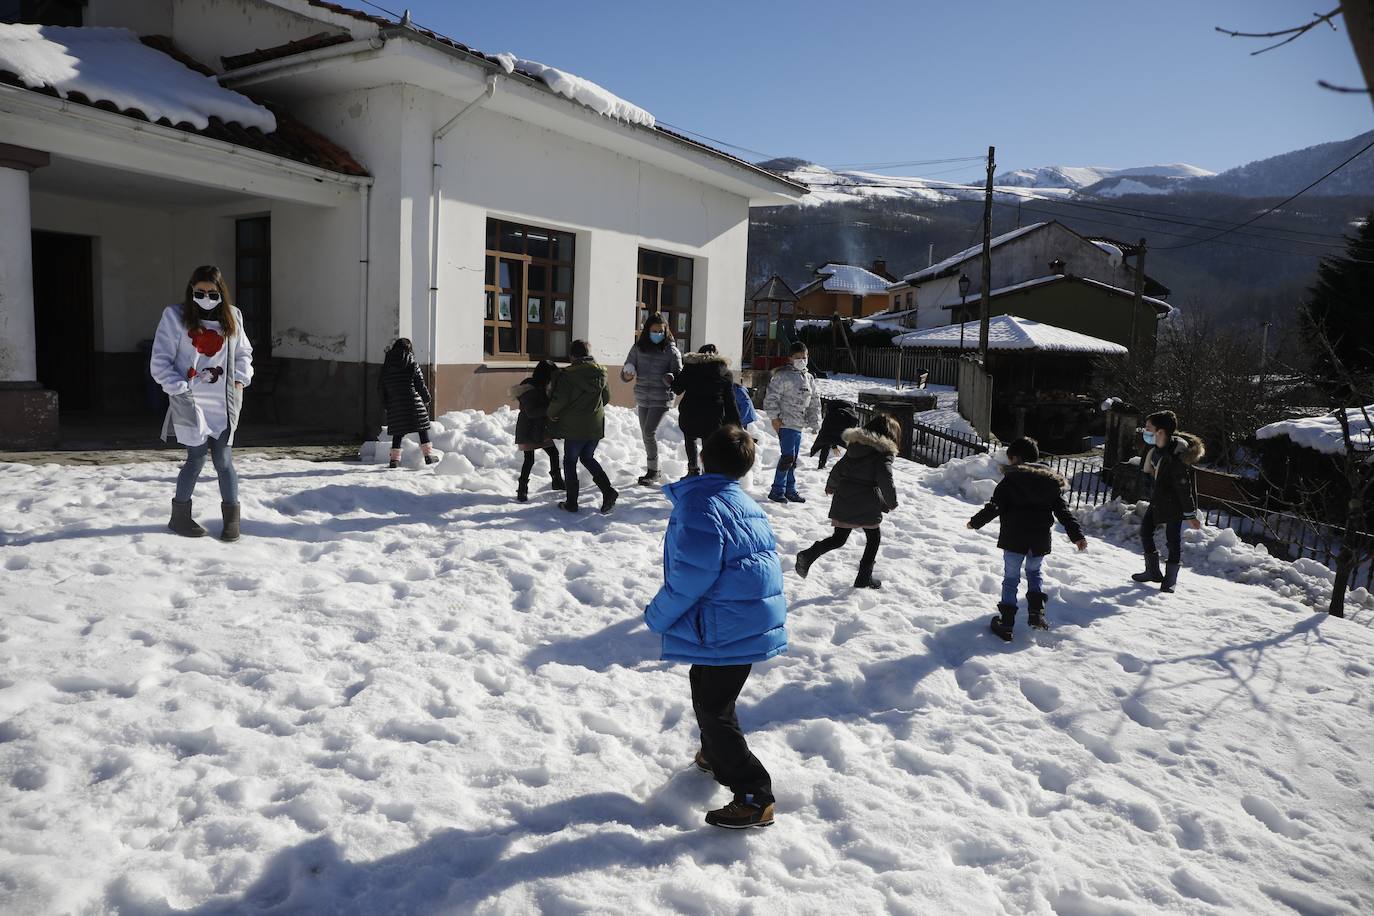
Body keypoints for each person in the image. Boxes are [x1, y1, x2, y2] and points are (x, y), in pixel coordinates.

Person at [644, 424, 786, 829]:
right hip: (742, 618)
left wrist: (658, 615)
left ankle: (754, 794)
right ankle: (713, 753)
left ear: (705, 456)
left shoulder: (700, 504)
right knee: (706, 687)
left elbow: (692, 575)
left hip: (726, 623)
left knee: (713, 706)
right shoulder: (741, 501)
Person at [150, 265, 254, 541]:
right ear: (191, 290)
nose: (206, 297)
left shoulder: (232, 316)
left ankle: (232, 521)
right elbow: (160, 361)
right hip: (189, 400)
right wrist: (180, 389)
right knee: (195, 459)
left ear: (221, 291)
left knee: (223, 459)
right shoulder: (174, 317)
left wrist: (240, 380)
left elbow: (244, 353)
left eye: (212, 292)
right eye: (200, 292)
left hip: (225, 400)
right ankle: (179, 518)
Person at [967, 436, 1087, 642]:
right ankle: (1036, 615)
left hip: (1014, 538)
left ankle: (1006, 623)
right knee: (1034, 573)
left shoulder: (1011, 480)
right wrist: (1076, 535)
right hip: (1039, 540)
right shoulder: (1050, 483)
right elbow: (1063, 512)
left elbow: (995, 507)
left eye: (1010, 458)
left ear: (1016, 458)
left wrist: (975, 522)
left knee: (1011, 578)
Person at [795, 413, 900, 589]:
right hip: (866, 499)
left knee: (839, 538)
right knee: (873, 539)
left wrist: (831, 486)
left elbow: (839, 468)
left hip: (844, 495)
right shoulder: (883, 453)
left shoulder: (856, 446)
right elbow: (885, 478)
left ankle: (808, 555)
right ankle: (864, 577)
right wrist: (891, 501)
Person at [1131, 410, 1205, 593]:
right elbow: (1152, 475)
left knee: (1173, 540)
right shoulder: (1155, 450)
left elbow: (1184, 488)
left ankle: (1170, 580)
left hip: (1175, 503)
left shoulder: (1176, 458)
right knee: (1145, 531)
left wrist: (1190, 515)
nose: (1144, 431)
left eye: (1148, 428)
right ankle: (1152, 571)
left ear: (1161, 432)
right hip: (1158, 500)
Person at [548, 339, 618, 513]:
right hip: (594, 425)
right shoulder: (601, 373)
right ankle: (608, 491)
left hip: (574, 427)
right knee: (587, 457)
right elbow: (606, 398)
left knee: (570, 461)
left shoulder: (568, 375)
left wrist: (550, 414)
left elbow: (560, 400)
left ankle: (572, 502)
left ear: (572, 355)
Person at [622, 313, 684, 486]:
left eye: (660, 331)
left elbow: (679, 375)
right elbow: (628, 367)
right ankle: (653, 468)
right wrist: (627, 373)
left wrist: (670, 377)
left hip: (661, 398)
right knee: (645, 434)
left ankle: (653, 470)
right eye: (654, 331)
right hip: (643, 396)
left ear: (666, 331)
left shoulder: (672, 351)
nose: (657, 334)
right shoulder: (638, 348)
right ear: (647, 330)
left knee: (649, 432)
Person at [761, 342, 821, 503]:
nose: (801, 360)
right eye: (797, 357)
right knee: (787, 458)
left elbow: (814, 401)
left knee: (792, 459)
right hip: (785, 422)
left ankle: (790, 489)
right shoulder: (783, 376)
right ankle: (777, 490)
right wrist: (774, 418)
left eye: (804, 357)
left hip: (798, 424)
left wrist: (815, 422)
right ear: (790, 359)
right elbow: (771, 398)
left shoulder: (809, 378)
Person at [672, 343, 741, 478]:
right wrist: (736, 424)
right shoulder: (725, 373)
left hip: (690, 414)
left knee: (690, 438)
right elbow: (730, 401)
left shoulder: (690, 368)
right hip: (713, 417)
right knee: (708, 444)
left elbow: (677, 388)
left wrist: (673, 378)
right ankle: (707, 472)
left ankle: (693, 469)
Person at [511, 359, 564, 502]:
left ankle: (557, 481)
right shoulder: (529, 388)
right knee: (529, 460)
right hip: (528, 429)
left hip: (541, 428)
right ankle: (522, 489)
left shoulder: (542, 386)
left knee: (554, 453)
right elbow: (532, 412)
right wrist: (551, 409)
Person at [378, 338, 436, 469]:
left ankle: (394, 460)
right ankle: (428, 456)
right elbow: (420, 383)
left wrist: (386, 403)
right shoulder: (412, 362)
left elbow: (381, 387)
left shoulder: (387, 365)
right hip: (413, 400)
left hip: (395, 402)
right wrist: (426, 398)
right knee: (422, 428)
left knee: (398, 430)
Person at [810, 401, 860, 470]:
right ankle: (849, 467)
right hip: (844, 432)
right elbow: (853, 423)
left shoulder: (831, 412)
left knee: (826, 442)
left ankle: (821, 464)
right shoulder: (850, 412)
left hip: (828, 433)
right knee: (851, 448)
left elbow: (829, 429)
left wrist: (833, 445)